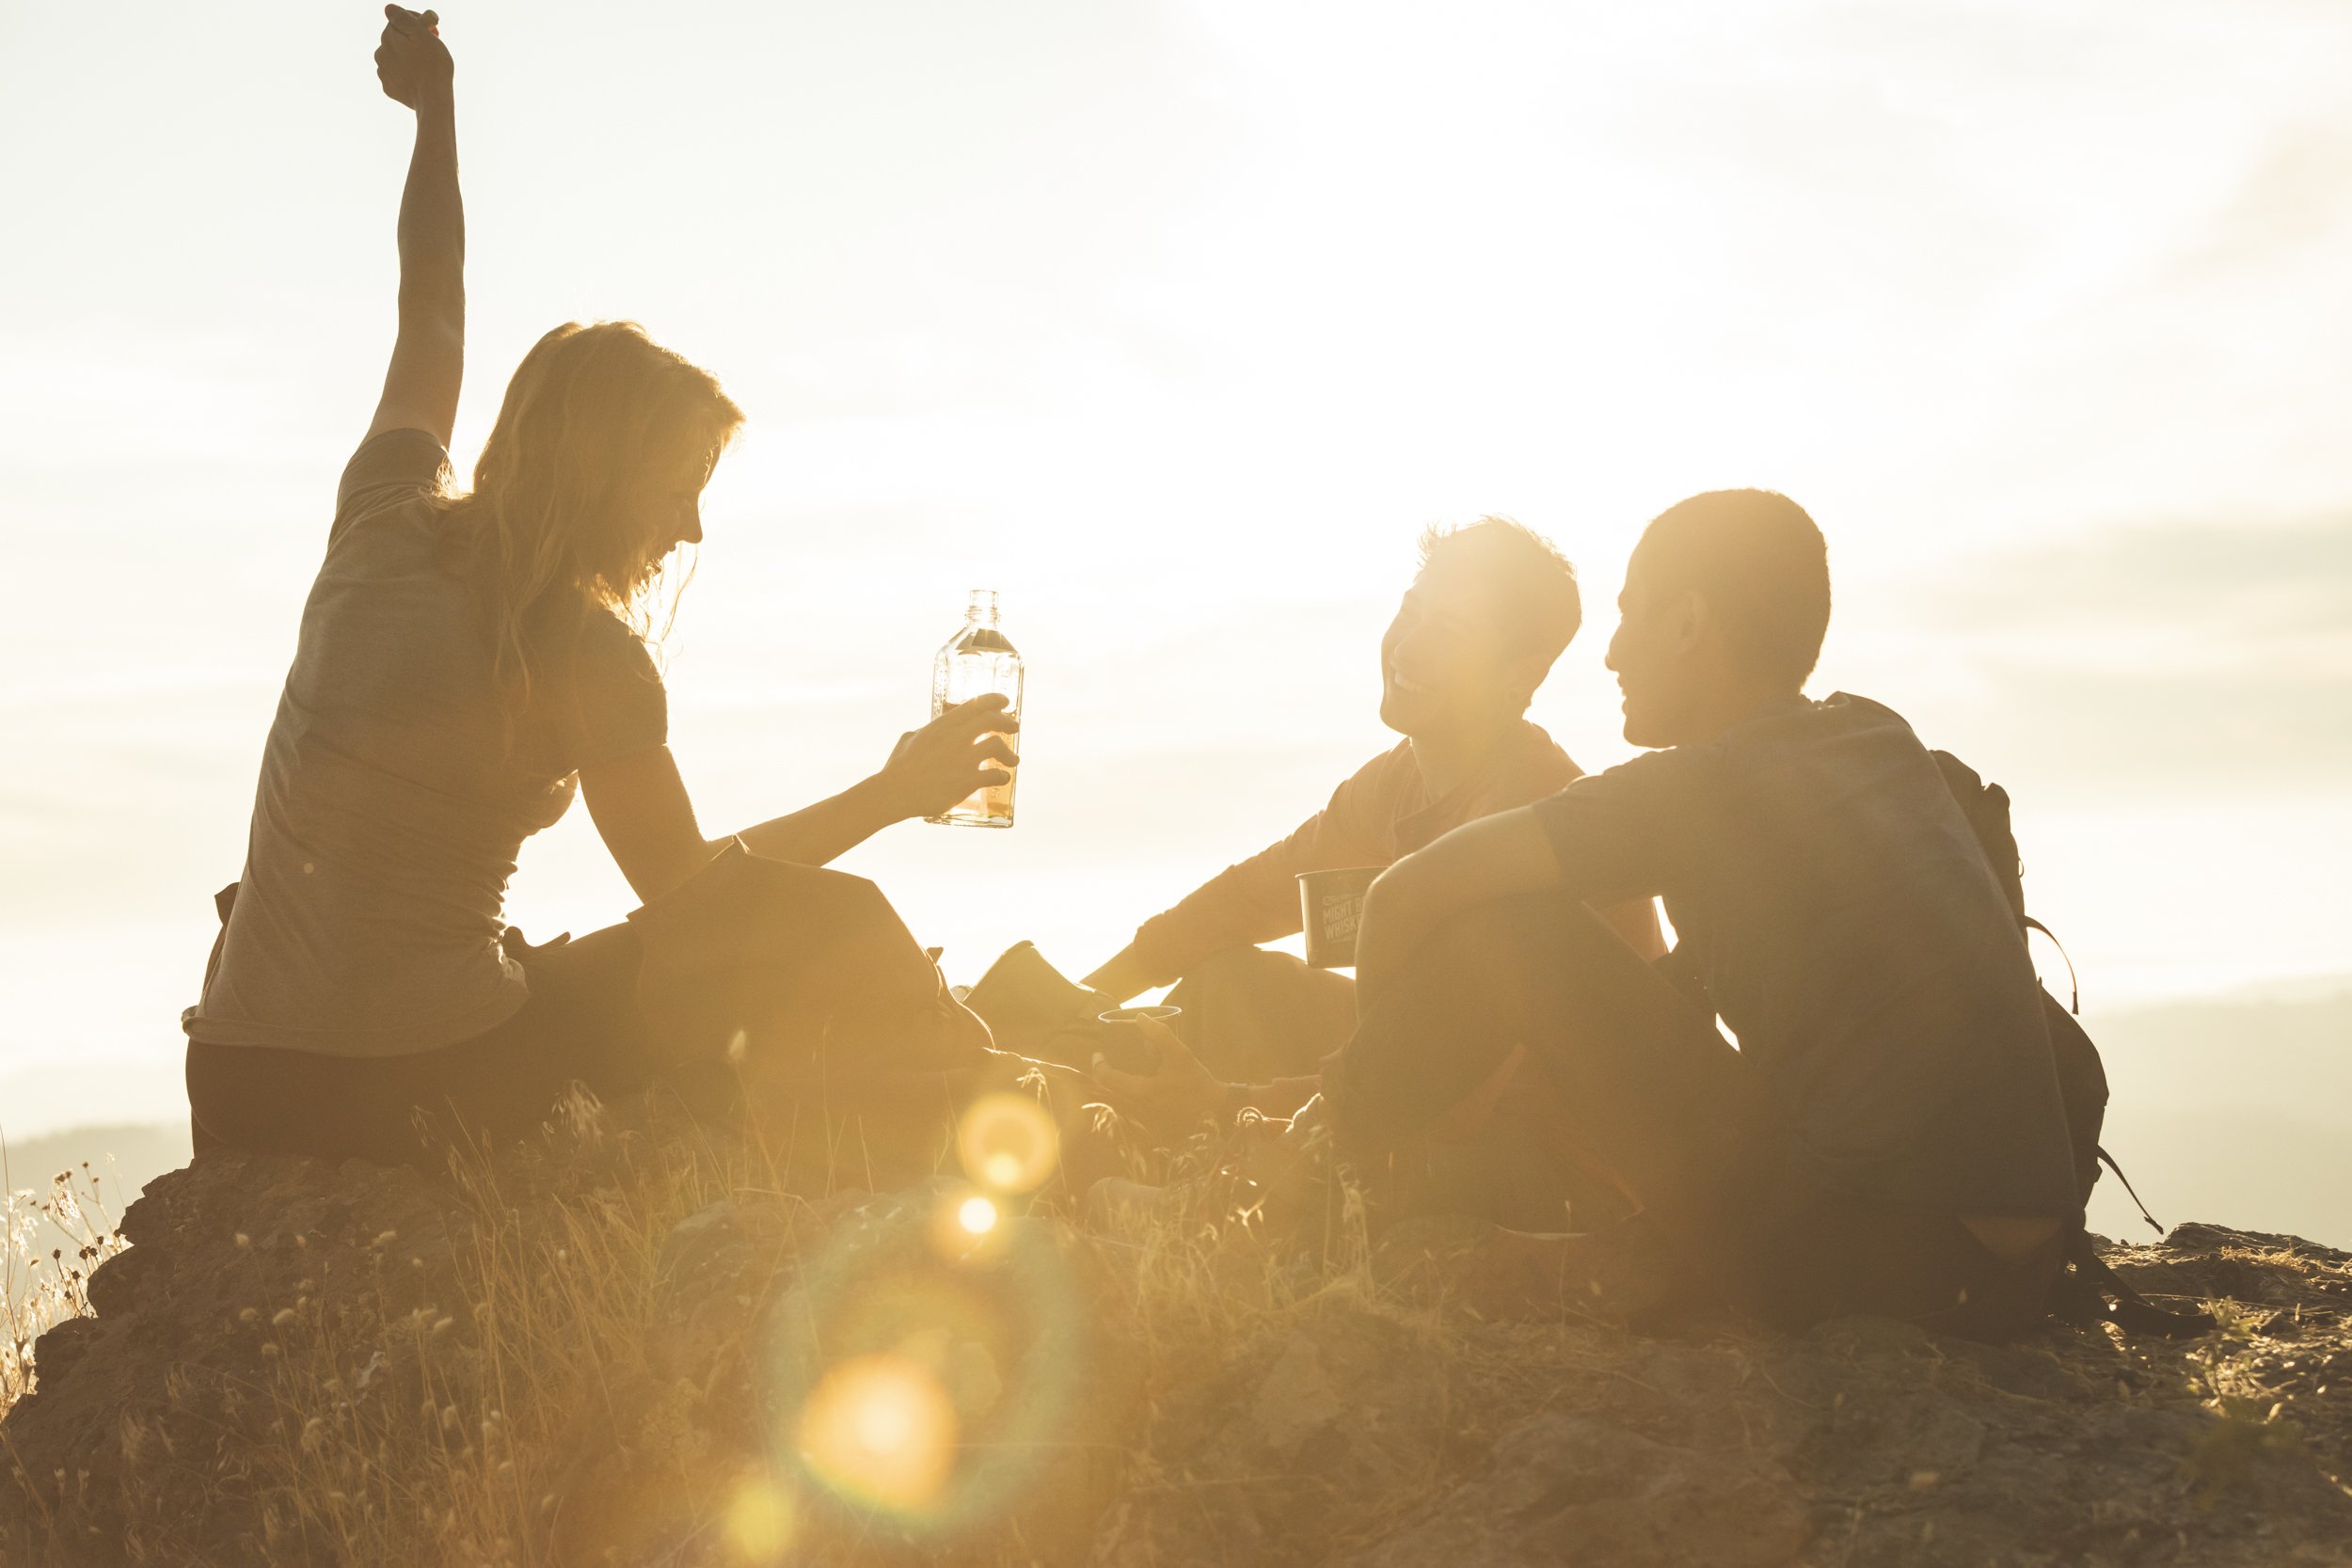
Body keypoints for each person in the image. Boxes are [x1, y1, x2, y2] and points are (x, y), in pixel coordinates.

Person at [183, 8, 1031, 1177]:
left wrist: (435, 111)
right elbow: (703, 911)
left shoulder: (377, 520)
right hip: (420, 1086)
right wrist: (889, 793)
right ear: (602, 477)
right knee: (836, 924)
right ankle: (993, 1131)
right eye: (677, 489)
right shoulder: (586, 653)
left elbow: (430, 297)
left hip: (240, 1078)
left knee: (529, 958)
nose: (686, 529)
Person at [1311, 488, 2079, 1339]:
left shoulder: (1705, 788)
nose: (1609, 655)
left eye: (1629, 615)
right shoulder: (1876, 738)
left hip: (1887, 1264)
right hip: (2019, 1263)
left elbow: (1405, 893)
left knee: (1508, 931)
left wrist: (1364, 1105)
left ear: (1686, 623)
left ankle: (1328, 1177)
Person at [974, 519, 1660, 1086]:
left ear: (1520, 676)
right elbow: (1245, 899)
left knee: (1226, 1035)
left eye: (1448, 633)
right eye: (1411, 611)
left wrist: (1226, 1106)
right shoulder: (1395, 783)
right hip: (1424, 1082)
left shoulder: (1528, 814)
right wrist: (1084, 1004)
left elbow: (1454, 1080)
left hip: (1552, 1148)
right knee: (1229, 980)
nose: (1409, 646)